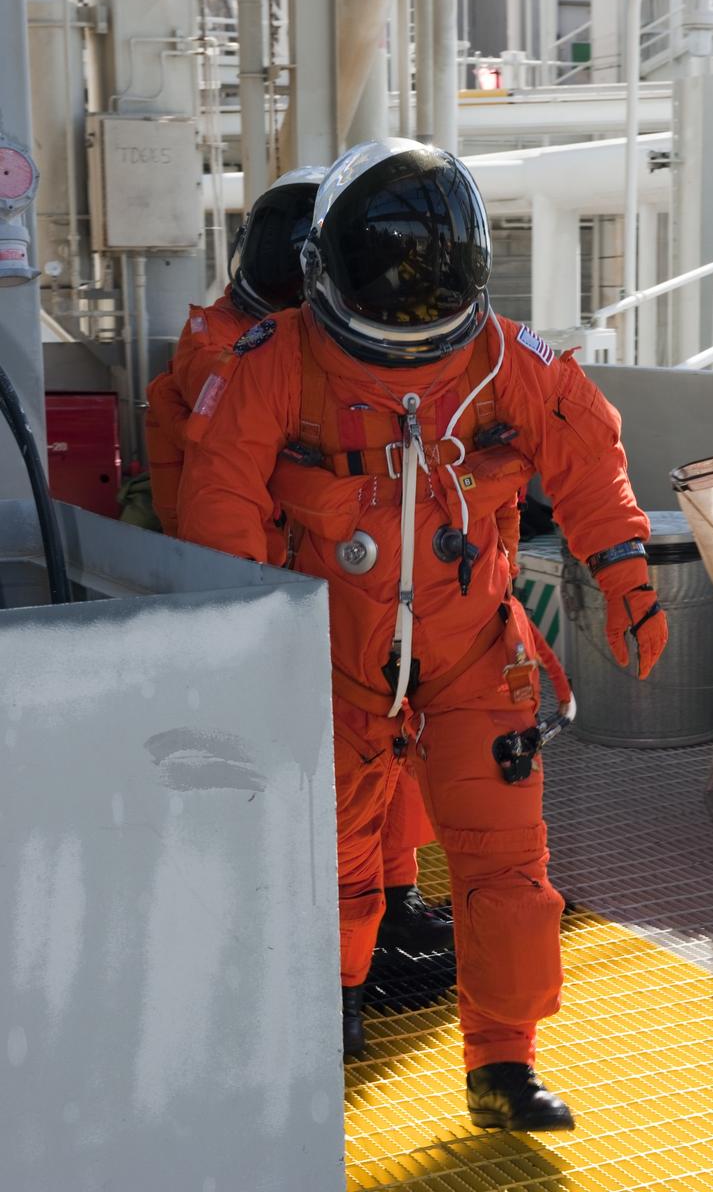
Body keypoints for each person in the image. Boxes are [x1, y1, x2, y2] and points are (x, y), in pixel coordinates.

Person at [177, 139, 668, 1131]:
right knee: (335, 863)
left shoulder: (507, 363)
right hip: (321, 663)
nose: (409, 311)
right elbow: (220, 498)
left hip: (474, 655)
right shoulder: (272, 367)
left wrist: (622, 569)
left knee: (506, 867)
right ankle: (334, 1010)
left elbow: (587, 459)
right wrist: (237, 645)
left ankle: (502, 1062)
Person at [147, 164, 450, 956]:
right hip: (276, 596)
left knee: (385, 751)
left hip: (345, 589)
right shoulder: (228, 349)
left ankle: (392, 899)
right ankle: (322, 924)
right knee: (322, 772)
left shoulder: (284, 348)